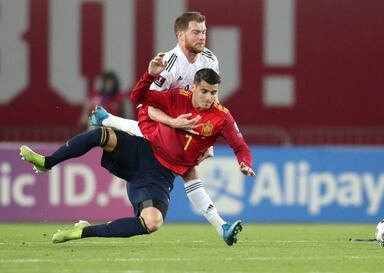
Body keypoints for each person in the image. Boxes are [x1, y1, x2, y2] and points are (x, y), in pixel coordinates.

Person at [19, 53, 255, 245]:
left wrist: (245, 162)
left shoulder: (221, 117)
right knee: (100, 135)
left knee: (151, 223)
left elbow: (240, 145)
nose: (209, 98)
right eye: (204, 91)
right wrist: (149, 75)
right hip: (143, 151)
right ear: (193, 87)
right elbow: (138, 96)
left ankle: (82, 232)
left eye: (214, 93)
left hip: (160, 175)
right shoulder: (176, 97)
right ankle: (47, 162)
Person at [89, 12, 231, 242]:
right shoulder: (171, 64)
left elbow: (213, 98)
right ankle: (221, 226)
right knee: (189, 170)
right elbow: (147, 104)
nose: (202, 36)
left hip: (185, 123)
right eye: (196, 32)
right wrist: (172, 122)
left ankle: (108, 119)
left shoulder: (209, 59)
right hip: (162, 117)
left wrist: (210, 137)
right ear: (181, 35)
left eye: (204, 32)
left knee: (189, 170)